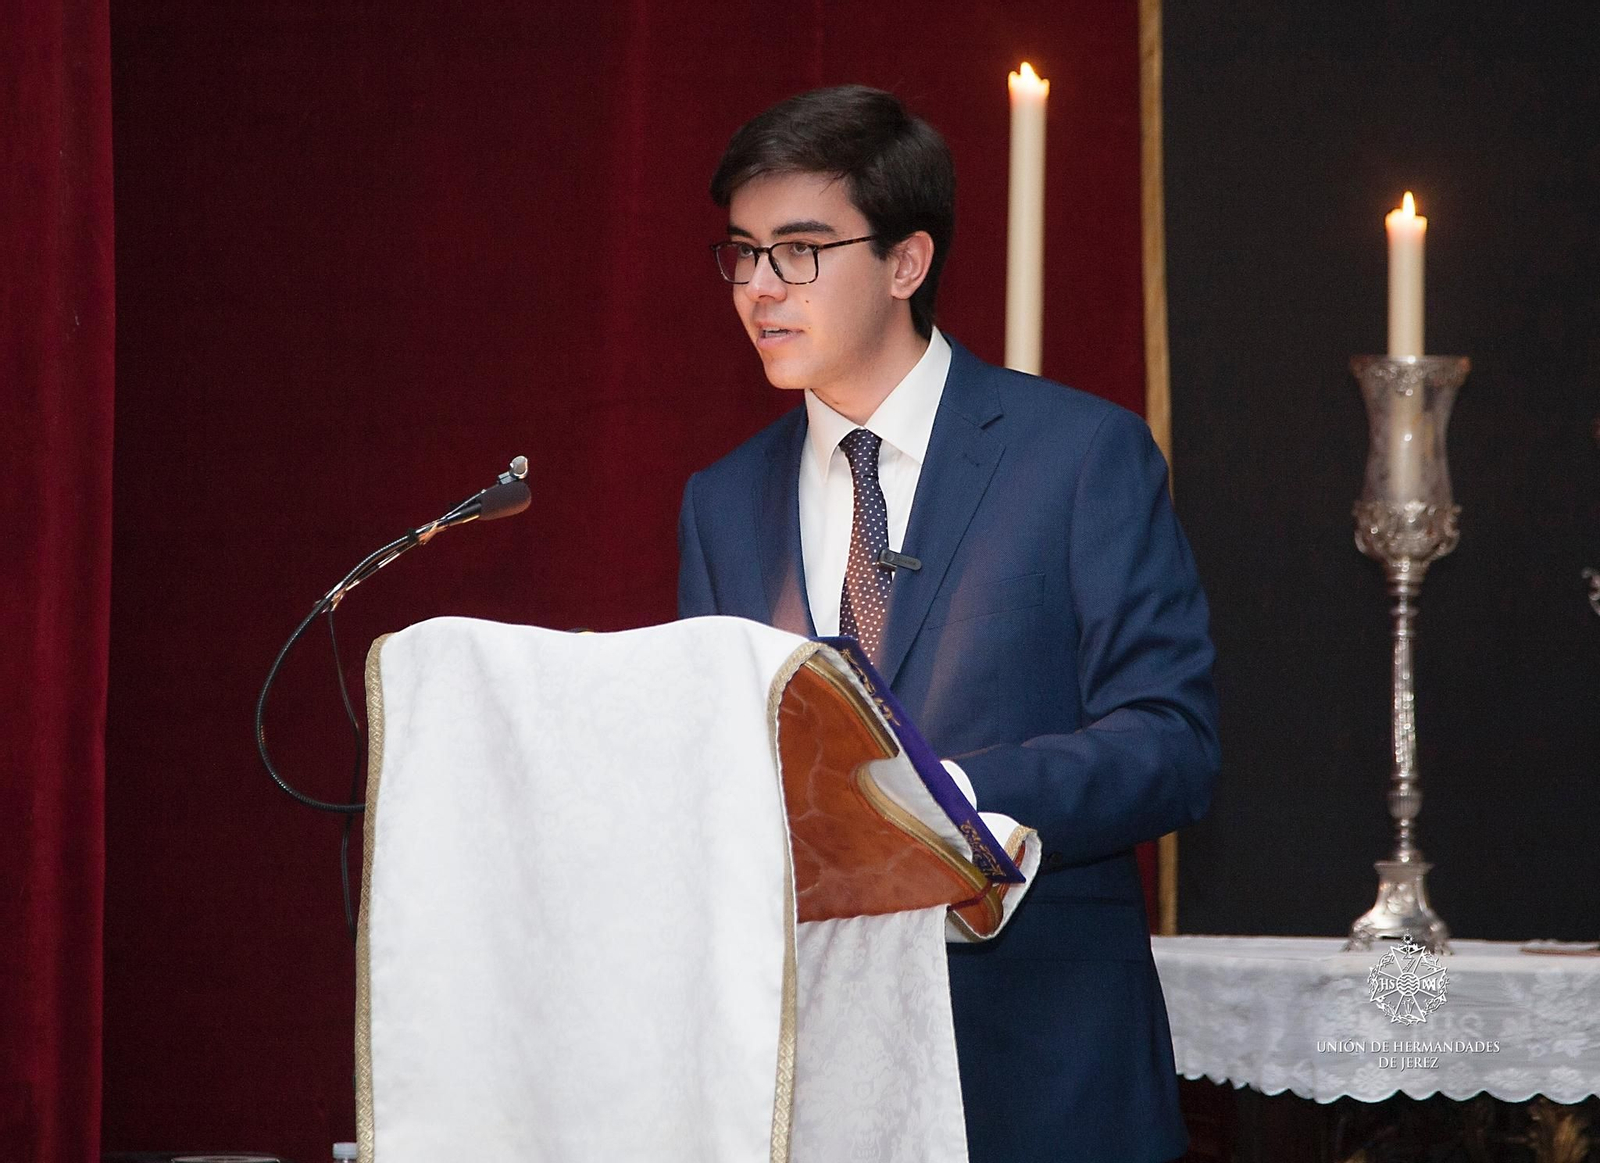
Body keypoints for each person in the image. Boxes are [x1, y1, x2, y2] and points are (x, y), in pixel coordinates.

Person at [676, 84, 1219, 1163]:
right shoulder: (721, 499)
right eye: (741, 253)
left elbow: (1171, 741)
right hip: (814, 1079)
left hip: (1037, 1070)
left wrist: (952, 801)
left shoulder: (1077, 457)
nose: (759, 290)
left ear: (906, 262)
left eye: (799, 250)